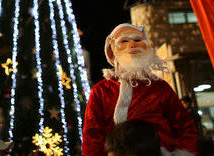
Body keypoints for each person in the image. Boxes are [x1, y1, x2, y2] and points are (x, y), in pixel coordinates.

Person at [82, 23, 198, 155]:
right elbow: (92, 134)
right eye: (124, 41)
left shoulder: (160, 88)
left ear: (147, 47)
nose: (132, 45)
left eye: (137, 40)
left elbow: (184, 127)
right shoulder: (101, 90)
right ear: (111, 51)